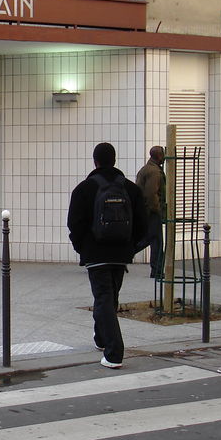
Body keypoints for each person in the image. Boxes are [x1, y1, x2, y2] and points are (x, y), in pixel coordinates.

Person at [67, 143, 148, 369]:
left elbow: (74, 223)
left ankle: (114, 353)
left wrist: (82, 249)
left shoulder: (84, 189)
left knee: (104, 298)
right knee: (109, 298)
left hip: (96, 253)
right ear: (114, 160)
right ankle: (101, 339)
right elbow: (143, 224)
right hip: (121, 253)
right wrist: (131, 247)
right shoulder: (131, 189)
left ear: (95, 161)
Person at [134, 145, 166, 278]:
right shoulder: (154, 172)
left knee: (151, 239)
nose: (164, 157)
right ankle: (157, 270)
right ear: (159, 156)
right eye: (163, 154)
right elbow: (151, 194)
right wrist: (157, 210)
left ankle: (156, 269)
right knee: (155, 240)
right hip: (152, 212)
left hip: (146, 211)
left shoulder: (146, 169)